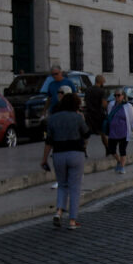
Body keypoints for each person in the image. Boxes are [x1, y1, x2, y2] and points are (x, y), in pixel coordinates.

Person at [42, 92, 89, 229]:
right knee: (75, 188)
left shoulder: (53, 119)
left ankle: (58, 211)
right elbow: (86, 133)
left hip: (58, 154)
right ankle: (72, 221)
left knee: (62, 185)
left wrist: (44, 159)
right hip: (75, 153)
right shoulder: (78, 117)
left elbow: (48, 141)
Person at [104, 89, 133, 174]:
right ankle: (119, 161)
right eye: (115, 95)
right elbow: (109, 115)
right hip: (113, 131)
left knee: (122, 149)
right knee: (111, 149)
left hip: (124, 131)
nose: (116, 97)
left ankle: (122, 167)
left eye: (118, 95)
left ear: (123, 96)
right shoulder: (111, 104)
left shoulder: (128, 106)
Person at [83, 75, 109, 152]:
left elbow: (85, 102)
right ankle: (107, 149)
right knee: (103, 133)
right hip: (99, 115)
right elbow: (104, 104)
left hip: (89, 114)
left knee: (87, 134)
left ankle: (84, 149)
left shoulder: (88, 90)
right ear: (101, 82)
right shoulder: (101, 91)